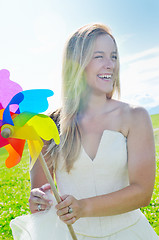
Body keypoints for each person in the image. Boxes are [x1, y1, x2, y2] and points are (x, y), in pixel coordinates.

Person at [10, 23, 158, 239]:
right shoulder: (47, 125)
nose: (110, 65)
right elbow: (42, 194)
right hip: (68, 234)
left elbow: (142, 193)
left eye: (114, 57)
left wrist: (84, 207)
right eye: (99, 56)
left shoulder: (135, 117)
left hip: (128, 232)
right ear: (77, 64)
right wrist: (38, 200)